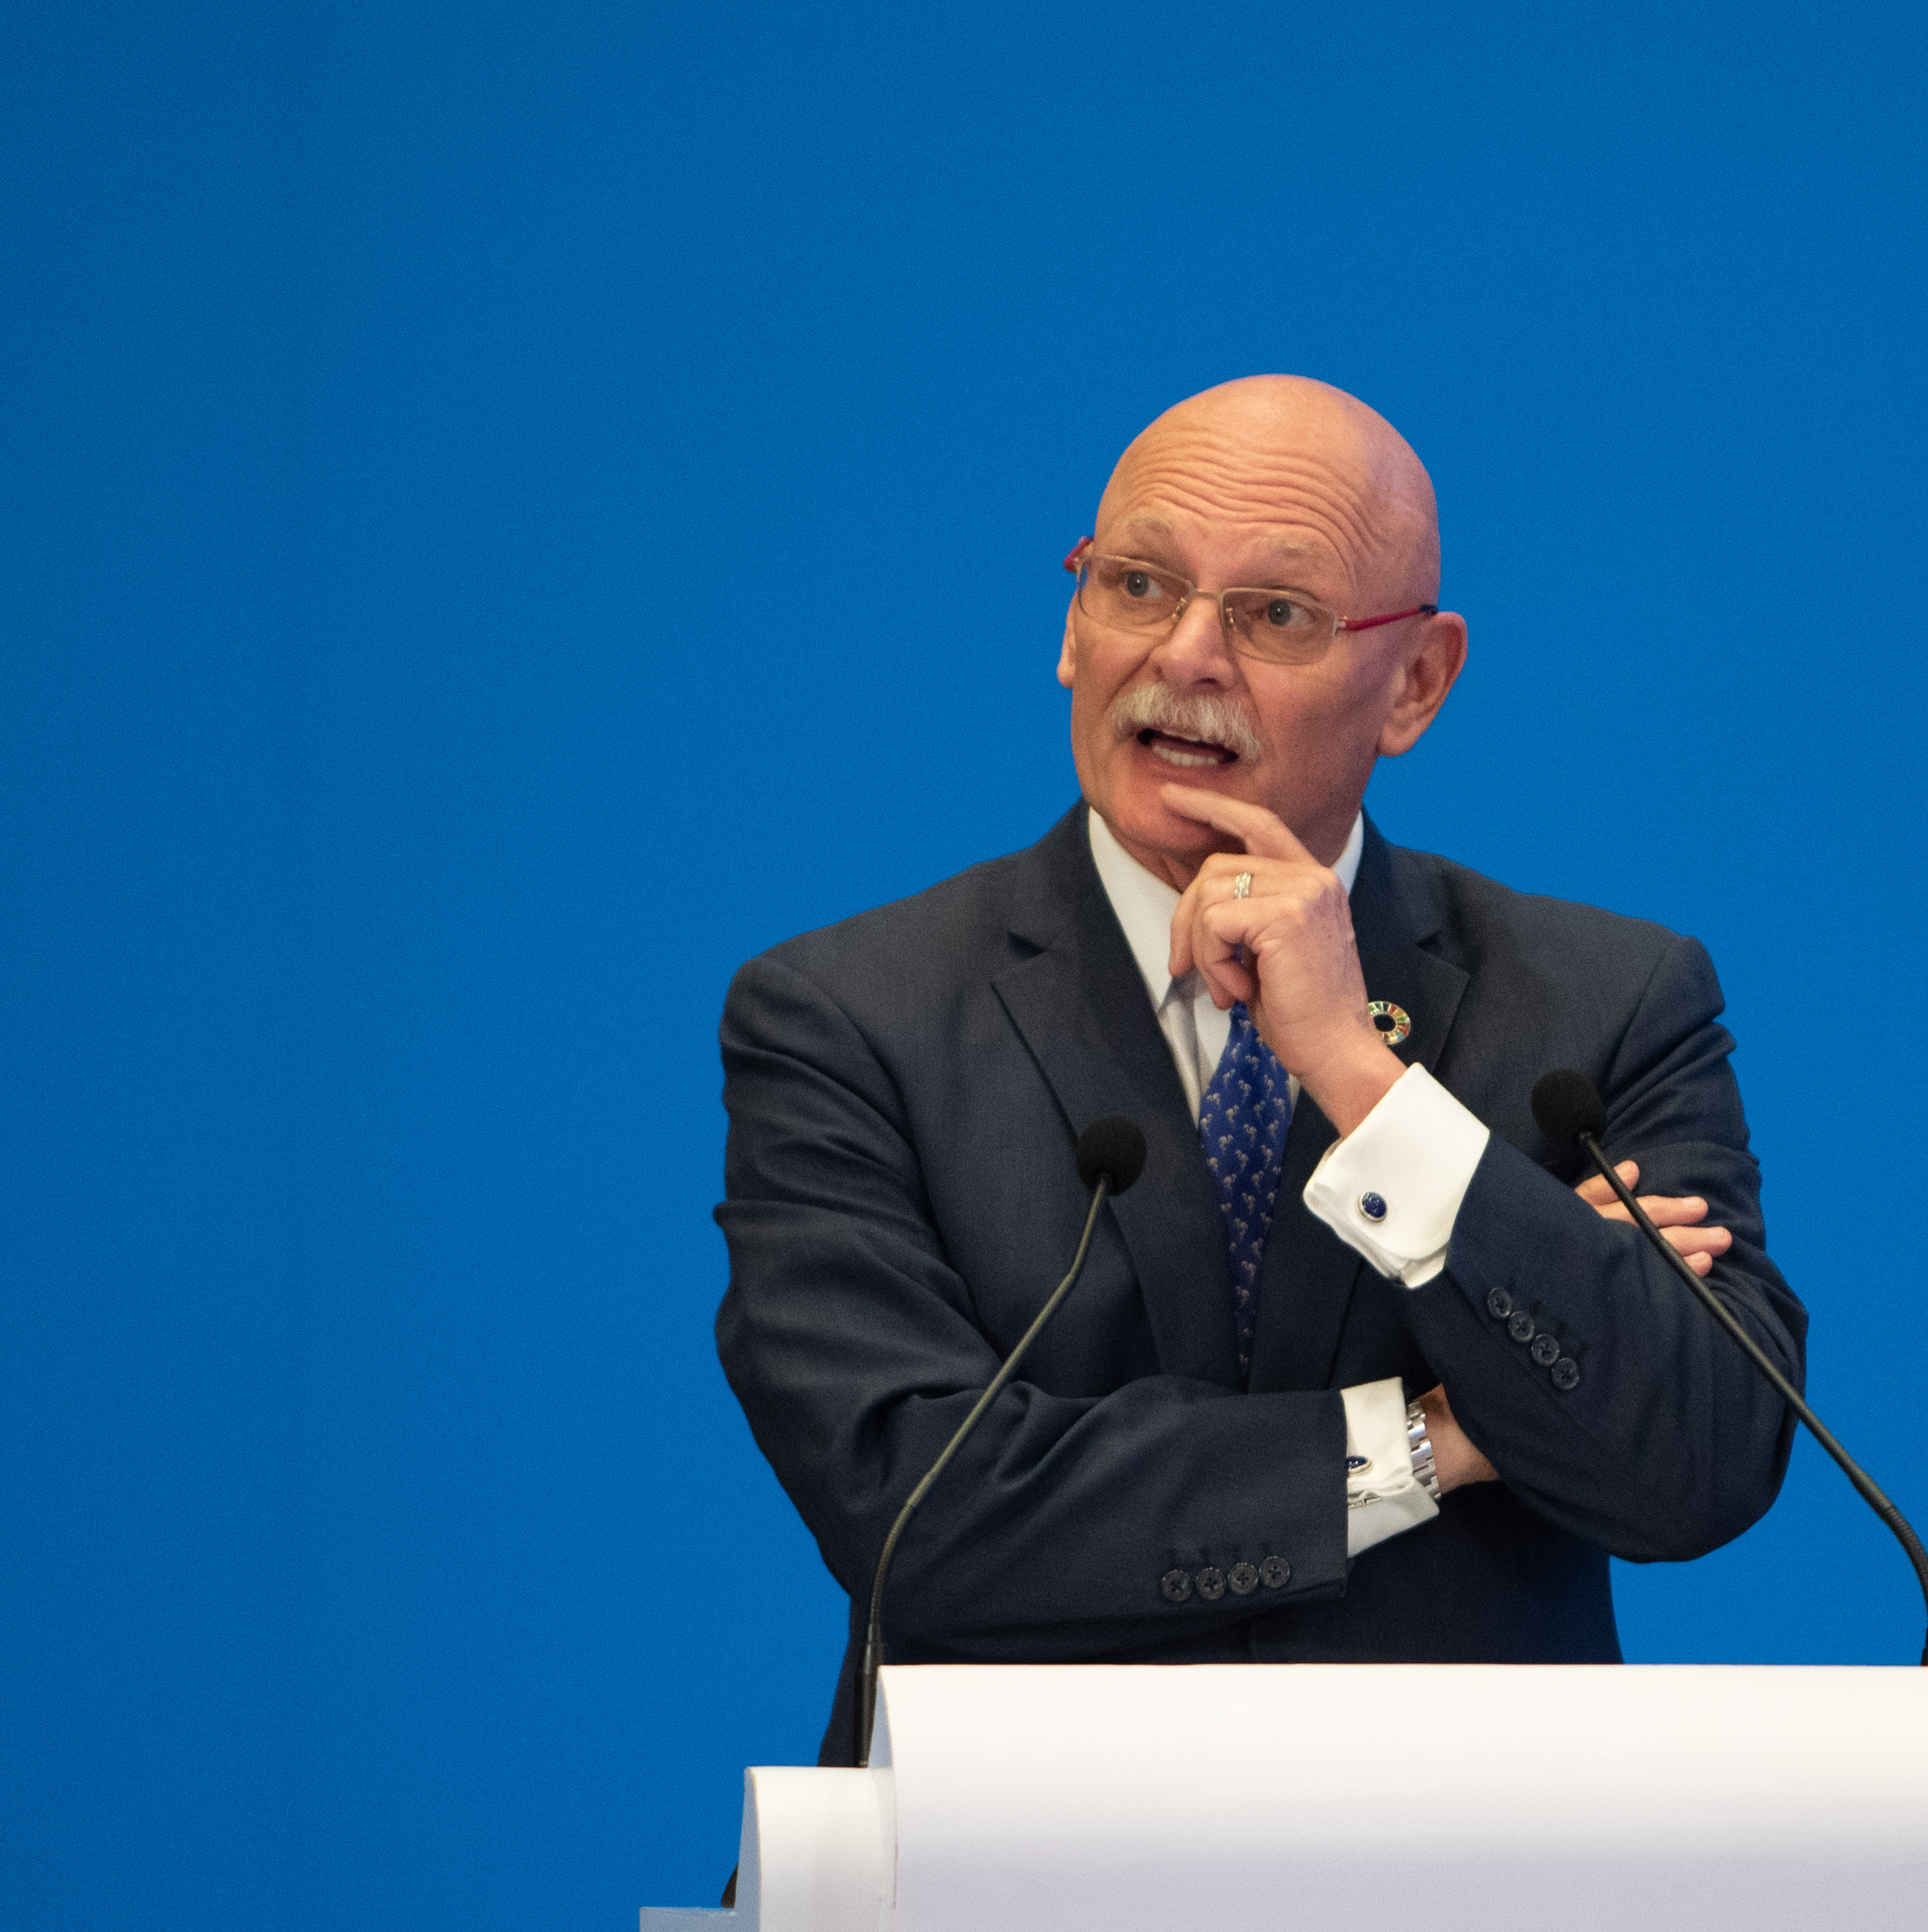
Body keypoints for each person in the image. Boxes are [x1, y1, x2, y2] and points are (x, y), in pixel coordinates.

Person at [715, 375, 1806, 1766]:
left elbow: (1699, 1455)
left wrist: (1361, 1076)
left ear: (1416, 684)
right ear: (1071, 625)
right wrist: (1442, 1439)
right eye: (1138, 584)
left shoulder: (1603, 1008)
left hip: (1469, 1845)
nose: (1185, 656)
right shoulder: (848, 1017)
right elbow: (919, 1513)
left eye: (1275, 613)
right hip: (1005, 1845)